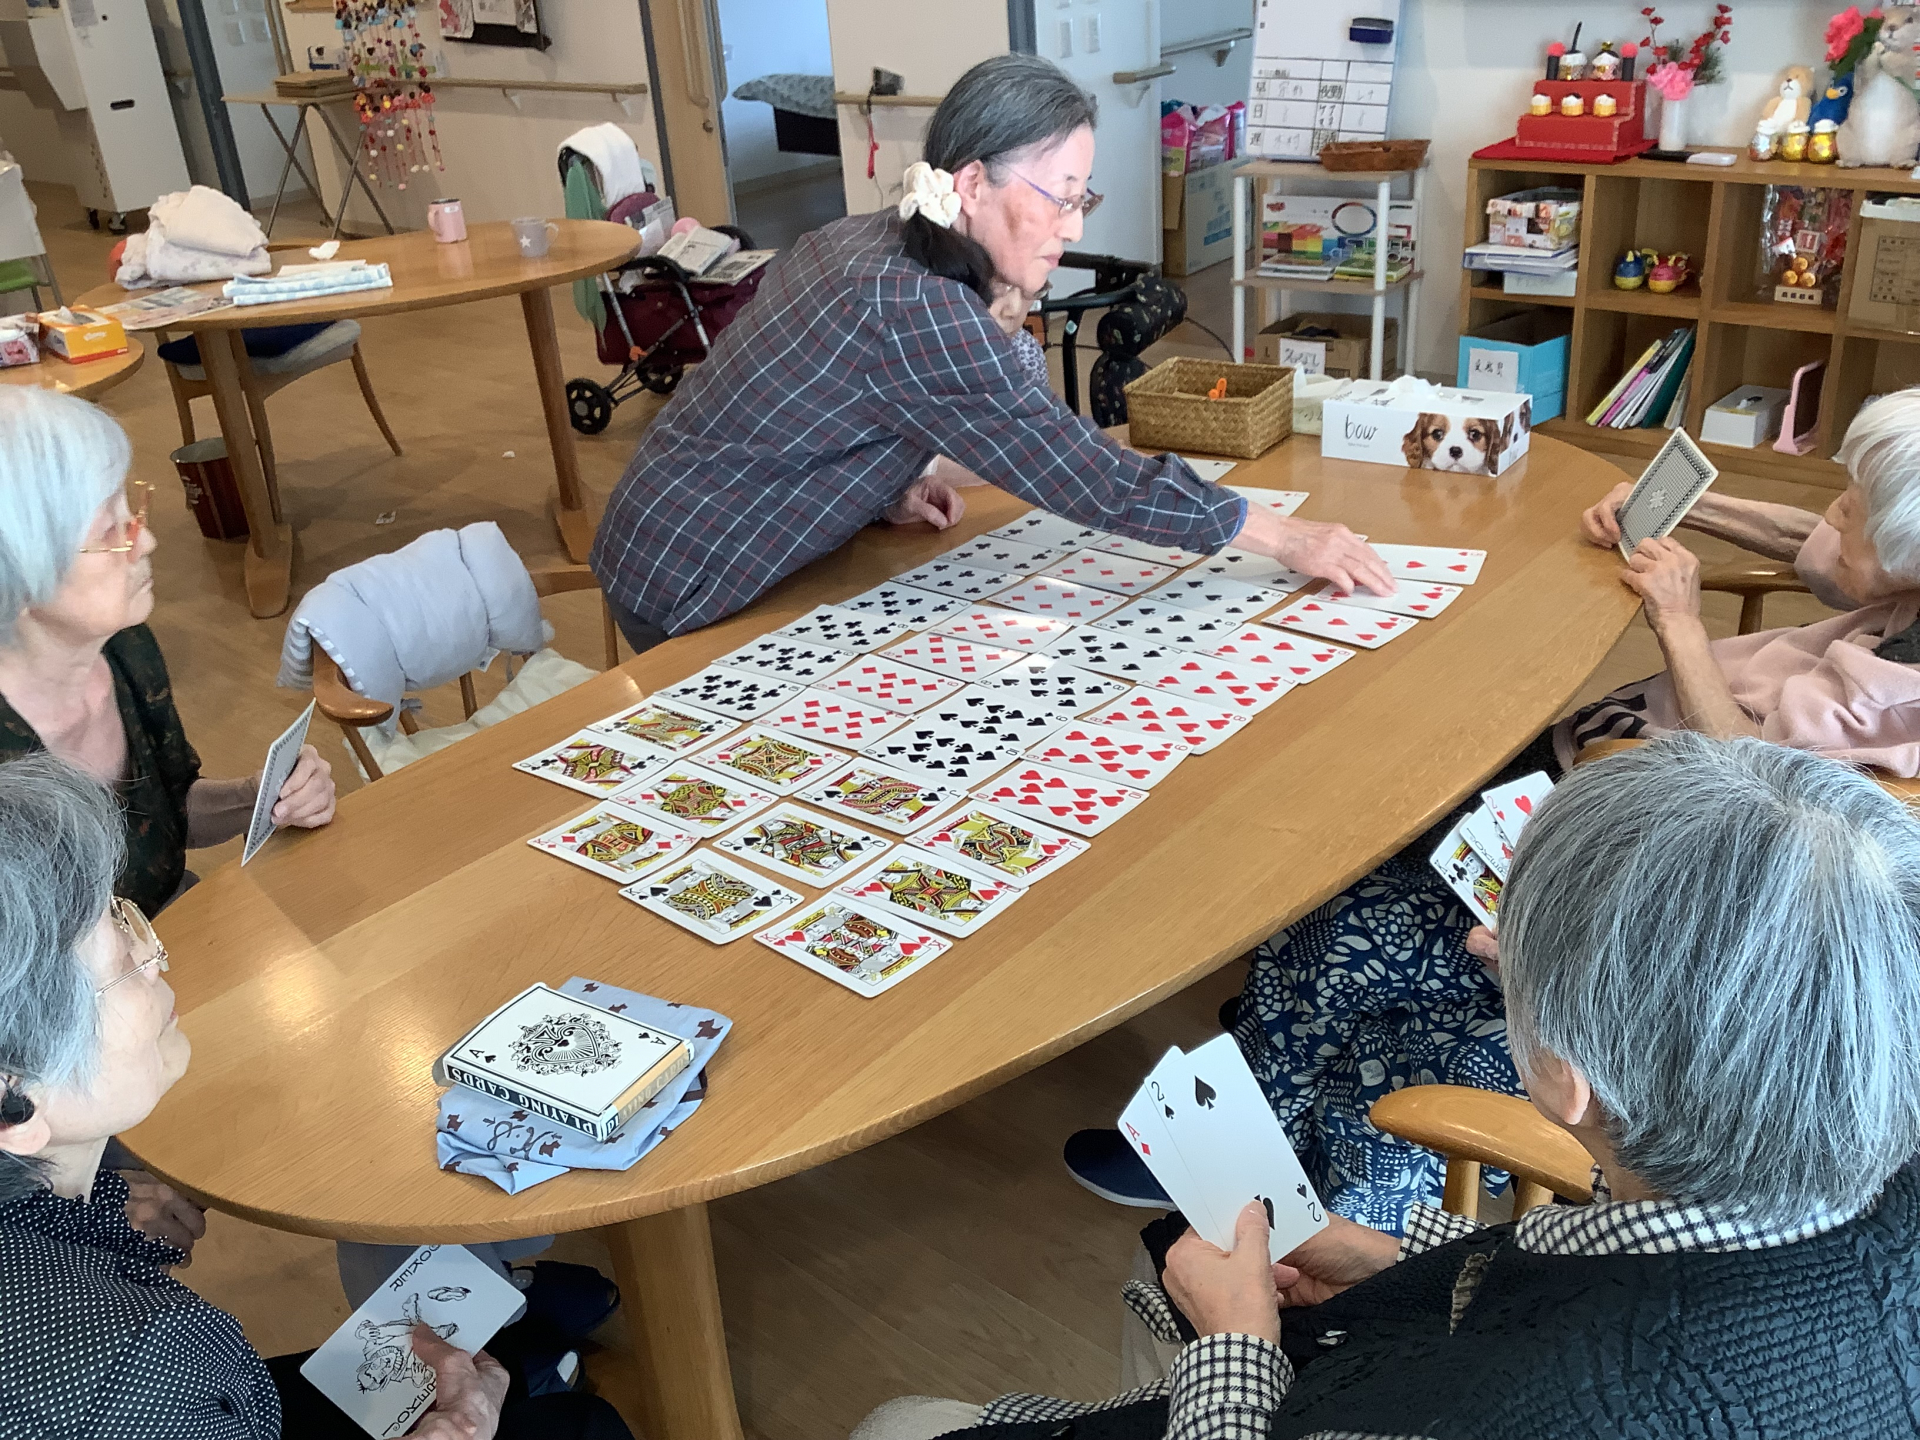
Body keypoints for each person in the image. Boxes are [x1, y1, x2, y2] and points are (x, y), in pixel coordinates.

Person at [859, 734, 1920, 1439]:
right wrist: (1407, 1265)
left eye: (1511, 950)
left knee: (898, 1422)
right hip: (1404, 1336)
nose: (1488, 946)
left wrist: (1234, 1351)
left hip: (1304, 1390)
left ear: (1567, 1076)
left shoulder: (1557, 1406)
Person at [1066, 385, 1920, 1230]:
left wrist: (1679, 622)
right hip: (1618, 783)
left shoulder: (1895, 695)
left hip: (1656, 857)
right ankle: (1275, 1066)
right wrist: (1683, 505)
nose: (1830, 511)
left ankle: (1239, 1145)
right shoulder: (1901, 584)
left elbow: (1755, 784)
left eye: (1854, 507)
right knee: (1372, 825)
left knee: (1336, 902)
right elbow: (1818, 546)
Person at [589, 54, 1391, 653]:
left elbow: (803, 408)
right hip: (689, 581)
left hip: (663, 529)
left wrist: (883, 485)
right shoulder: (917, 305)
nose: (1075, 225)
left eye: (1082, 198)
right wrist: (1280, 535)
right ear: (971, 185)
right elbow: (1079, 469)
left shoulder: (868, 237)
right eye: (1062, 198)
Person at [0, 752, 635, 1439]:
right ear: (16, 1102)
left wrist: (94, 1207)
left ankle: (513, 1332)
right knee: (587, 1427)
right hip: (193, 1403)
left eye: (126, 916)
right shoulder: (131, 1367)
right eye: (122, 958)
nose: (157, 958)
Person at [0, 389, 335, 916]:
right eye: (111, 530)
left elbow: (166, 819)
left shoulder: (125, 648)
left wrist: (262, 797)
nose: (147, 541)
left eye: (130, 510)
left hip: (171, 930)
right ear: (16, 579)